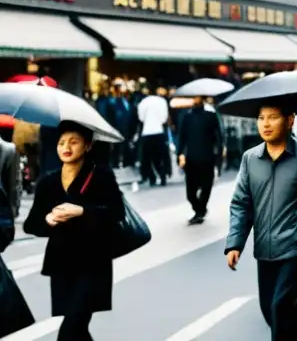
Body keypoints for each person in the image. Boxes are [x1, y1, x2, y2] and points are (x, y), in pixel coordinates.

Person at [225, 99, 297, 341]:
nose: (266, 124)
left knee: (279, 306)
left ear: (290, 120)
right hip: (264, 247)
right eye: (261, 118)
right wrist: (235, 243)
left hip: (296, 245)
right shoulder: (250, 159)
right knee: (270, 310)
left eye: (273, 117)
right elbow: (242, 204)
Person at [23, 122, 124, 341]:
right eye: (61, 143)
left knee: (72, 326)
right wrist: (48, 219)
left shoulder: (102, 176)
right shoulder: (48, 182)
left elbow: (117, 214)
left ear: (87, 146)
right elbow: (30, 224)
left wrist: (82, 211)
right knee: (77, 328)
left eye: (74, 142)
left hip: (93, 263)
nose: (66, 147)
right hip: (61, 264)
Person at [177, 96, 223, 224]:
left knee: (206, 186)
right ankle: (200, 210)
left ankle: (199, 213)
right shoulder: (186, 116)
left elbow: (218, 136)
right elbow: (181, 137)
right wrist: (180, 153)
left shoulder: (211, 115)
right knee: (190, 193)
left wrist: (220, 152)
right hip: (191, 158)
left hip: (207, 157)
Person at [136, 89, 170, 186]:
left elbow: (141, 118)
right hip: (159, 131)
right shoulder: (162, 101)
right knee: (160, 157)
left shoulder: (143, 102)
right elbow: (164, 118)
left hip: (146, 132)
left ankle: (152, 178)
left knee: (147, 158)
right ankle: (162, 175)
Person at [0, 130, 20, 223]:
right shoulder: (9, 149)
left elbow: (14, 185)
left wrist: (13, 210)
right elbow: (14, 184)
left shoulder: (9, 149)